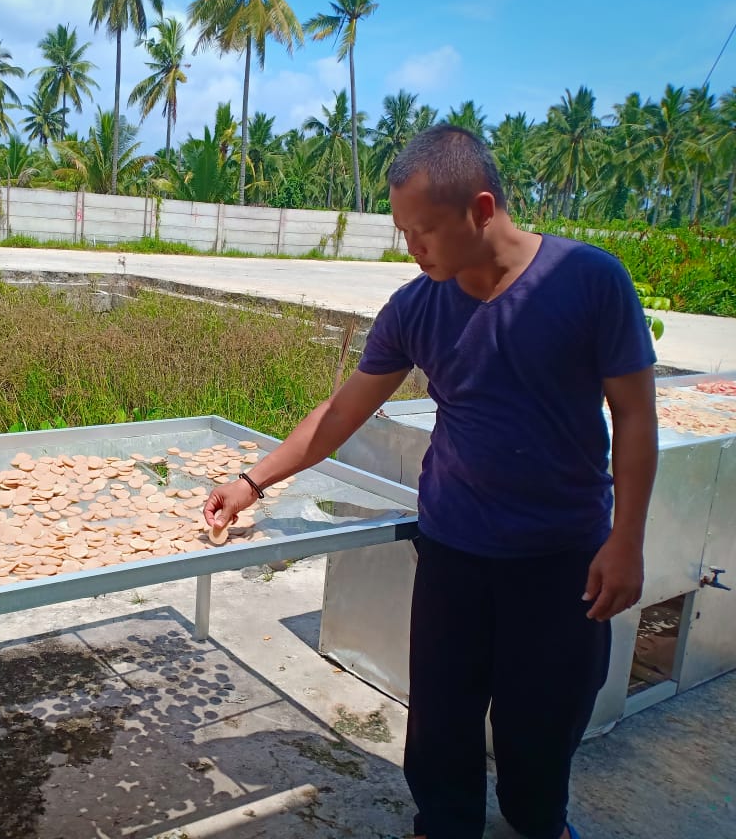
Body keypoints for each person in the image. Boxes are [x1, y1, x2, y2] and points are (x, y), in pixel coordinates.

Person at [204, 125, 658, 839]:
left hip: (561, 558)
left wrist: (627, 540)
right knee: (441, 725)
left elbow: (634, 414)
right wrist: (252, 481)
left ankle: (541, 824)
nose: (411, 248)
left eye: (424, 231)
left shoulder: (589, 282)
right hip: (453, 553)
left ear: (481, 209)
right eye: (401, 230)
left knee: (541, 728)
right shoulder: (418, 305)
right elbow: (342, 411)